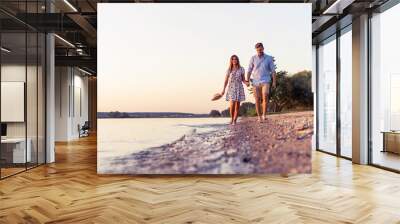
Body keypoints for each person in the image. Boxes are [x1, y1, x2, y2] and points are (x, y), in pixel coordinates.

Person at [245, 42, 276, 122]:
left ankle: (264, 115)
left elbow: (273, 71)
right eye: (258, 50)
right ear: (256, 50)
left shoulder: (268, 58)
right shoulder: (253, 58)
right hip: (255, 82)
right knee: (257, 99)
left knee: (265, 96)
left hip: (266, 80)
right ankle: (259, 117)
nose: (260, 51)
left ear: (263, 48)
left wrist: (274, 82)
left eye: (261, 49)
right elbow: (249, 70)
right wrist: (247, 80)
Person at [221, 55, 249, 125]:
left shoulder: (241, 69)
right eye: (233, 59)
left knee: (237, 105)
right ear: (231, 61)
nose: (234, 60)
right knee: (232, 104)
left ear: (237, 60)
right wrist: (223, 89)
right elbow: (226, 80)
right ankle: (231, 118)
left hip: (239, 87)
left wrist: (246, 83)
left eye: (235, 59)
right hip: (231, 88)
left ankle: (234, 120)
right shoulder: (229, 70)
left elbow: (243, 79)